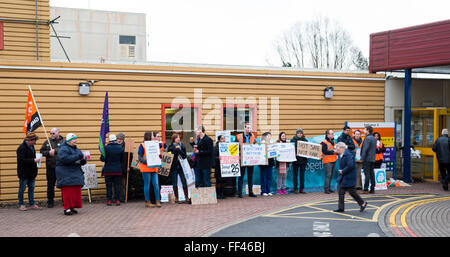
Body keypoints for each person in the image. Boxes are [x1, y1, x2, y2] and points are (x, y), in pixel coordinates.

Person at [56, 133, 86, 216]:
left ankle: (72, 207)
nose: (75, 141)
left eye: (75, 139)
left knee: (75, 190)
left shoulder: (76, 149)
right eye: (73, 139)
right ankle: (67, 208)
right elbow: (65, 159)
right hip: (65, 173)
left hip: (74, 172)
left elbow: (80, 157)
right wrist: (78, 156)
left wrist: (83, 160)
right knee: (67, 191)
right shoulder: (63, 149)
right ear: (68, 141)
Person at [333, 142, 368, 213]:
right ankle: (341, 208)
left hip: (349, 176)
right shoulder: (341, 154)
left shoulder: (348, 155)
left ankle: (362, 203)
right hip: (344, 176)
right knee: (341, 191)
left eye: (337, 148)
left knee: (352, 192)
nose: (337, 150)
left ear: (342, 148)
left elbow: (350, 166)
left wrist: (342, 171)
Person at [17, 132, 42, 211]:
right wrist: (33, 160)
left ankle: (32, 204)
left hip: (32, 172)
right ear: (30, 140)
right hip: (24, 172)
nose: (35, 142)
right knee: (22, 188)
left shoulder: (32, 147)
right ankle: (21, 204)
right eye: (35, 140)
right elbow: (21, 160)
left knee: (31, 188)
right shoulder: (21, 148)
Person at [39, 128, 65, 208]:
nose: (52, 135)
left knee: (63, 185)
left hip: (61, 167)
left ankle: (65, 201)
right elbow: (41, 151)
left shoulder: (64, 142)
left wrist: (55, 150)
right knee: (50, 185)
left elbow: (64, 150)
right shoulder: (47, 142)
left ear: (58, 133)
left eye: (53, 133)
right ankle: (50, 202)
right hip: (50, 167)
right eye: (51, 133)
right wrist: (48, 153)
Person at [138, 131, 162, 208]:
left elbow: (159, 154)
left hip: (154, 167)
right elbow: (140, 158)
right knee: (147, 185)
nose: (153, 137)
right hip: (146, 168)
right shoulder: (142, 145)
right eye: (152, 136)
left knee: (156, 184)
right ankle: (147, 201)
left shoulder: (155, 144)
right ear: (148, 137)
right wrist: (148, 162)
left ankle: (158, 201)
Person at [235, 122, 257, 198]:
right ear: (244, 128)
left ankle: (250, 192)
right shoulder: (238, 136)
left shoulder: (253, 136)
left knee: (250, 176)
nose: (249, 129)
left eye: (250, 128)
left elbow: (256, 146)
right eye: (247, 128)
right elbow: (235, 147)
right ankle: (240, 193)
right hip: (242, 159)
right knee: (241, 176)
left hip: (250, 159)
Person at [101, 134, 124, 206]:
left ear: (109, 140)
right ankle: (117, 200)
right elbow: (122, 159)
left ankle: (109, 200)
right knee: (117, 185)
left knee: (109, 186)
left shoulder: (106, 148)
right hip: (117, 169)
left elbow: (102, 159)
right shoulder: (120, 148)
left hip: (108, 170)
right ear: (115, 139)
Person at [167, 133, 190, 203]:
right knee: (174, 182)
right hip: (174, 167)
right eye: (177, 138)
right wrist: (175, 151)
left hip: (181, 167)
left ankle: (186, 197)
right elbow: (169, 156)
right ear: (174, 139)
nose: (179, 139)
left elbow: (185, 156)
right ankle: (177, 198)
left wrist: (179, 150)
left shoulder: (182, 145)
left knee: (184, 181)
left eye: (179, 137)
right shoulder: (170, 147)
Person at [116, 132, 133, 202]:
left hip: (124, 168)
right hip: (117, 168)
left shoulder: (127, 146)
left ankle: (124, 197)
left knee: (123, 183)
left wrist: (128, 166)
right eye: (118, 139)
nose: (119, 140)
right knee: (117, 184)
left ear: (123, 139)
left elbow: (130, 157)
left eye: (120, 139)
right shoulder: (115, 146)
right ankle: (117, 197)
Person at [360, 126, 377, 194]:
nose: (364, 131)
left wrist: (362, 158)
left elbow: (365, 149)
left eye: (365, 130)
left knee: (367, 174)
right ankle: (372, 188)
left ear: (368, 131)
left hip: (367, 158)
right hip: (372, 158)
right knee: (372, 173)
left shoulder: (367, 138)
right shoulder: (374, 138)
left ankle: (366, 189)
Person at [291, 128, 308, 194]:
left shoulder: (305, 140)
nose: (299, 134)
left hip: (303, 160)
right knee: (295, 175)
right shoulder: (293, 140)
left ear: (302, 134)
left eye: (301, 133)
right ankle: (295, 188)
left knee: (302, 175)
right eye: (298, 133)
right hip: (295, 160)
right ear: (296, 133)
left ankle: (302, 189)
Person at [321, 129, 337, 194]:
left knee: (330, 175)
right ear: (328, 135)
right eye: (332, 134)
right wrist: (333, 151)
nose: (333, 135)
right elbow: (324, 151)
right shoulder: (324, 142)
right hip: (327, 161)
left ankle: (329, 188)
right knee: (328, 175)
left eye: (333, 134)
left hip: (333, 160)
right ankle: (326, 189)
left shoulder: (333, 142)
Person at [214, 135, 227, 199]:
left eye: (224, 138)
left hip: (225, 166)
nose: (223, 140)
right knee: (218, 180)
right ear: (219, 140)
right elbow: (213, 157)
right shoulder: (216, 147)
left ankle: (222, 193)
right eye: (222, 139)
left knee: (223, 181)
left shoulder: (227, 146)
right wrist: (217, 158)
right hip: (218, 166)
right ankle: (218, 193)